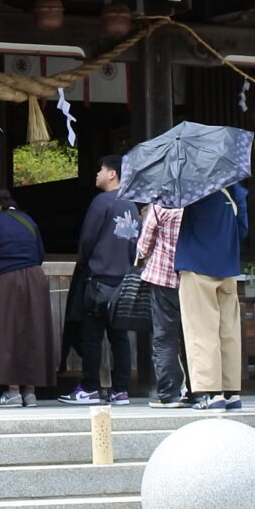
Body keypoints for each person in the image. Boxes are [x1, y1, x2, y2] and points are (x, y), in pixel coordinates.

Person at [68, 156, 148, 405]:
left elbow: (87, 240)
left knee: (92, 336)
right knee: (119, 337)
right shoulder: (131, 205)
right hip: (124, 280)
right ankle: (121, 390)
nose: (97, 173)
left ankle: (90, 387)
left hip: (100, 277)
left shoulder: (101, 202)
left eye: (101, 169)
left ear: (112, 173)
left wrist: (84, 263)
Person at [0, 186, 53, 407]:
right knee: (33, 332)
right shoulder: (28, 220)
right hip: (36, 278)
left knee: (8, 333)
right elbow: (40, 253)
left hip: (7, 278)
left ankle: (13, 392)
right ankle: (31, 393)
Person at [182, 180, 251, 411]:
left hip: (196, 263)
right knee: (229, 331)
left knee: (202, 330)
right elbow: (242, 230)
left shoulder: (191, 188)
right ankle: (232, 392)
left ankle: (212, 393)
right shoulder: (234, 188)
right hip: (227, 264)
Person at [138, 200, 189, 406]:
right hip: (191, 278)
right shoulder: (197, 205)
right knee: (192, 336)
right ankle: (196, 391)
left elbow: (143, 246)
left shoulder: (161, 206)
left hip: (163, 278)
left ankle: (169, 393)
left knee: (165, 337)